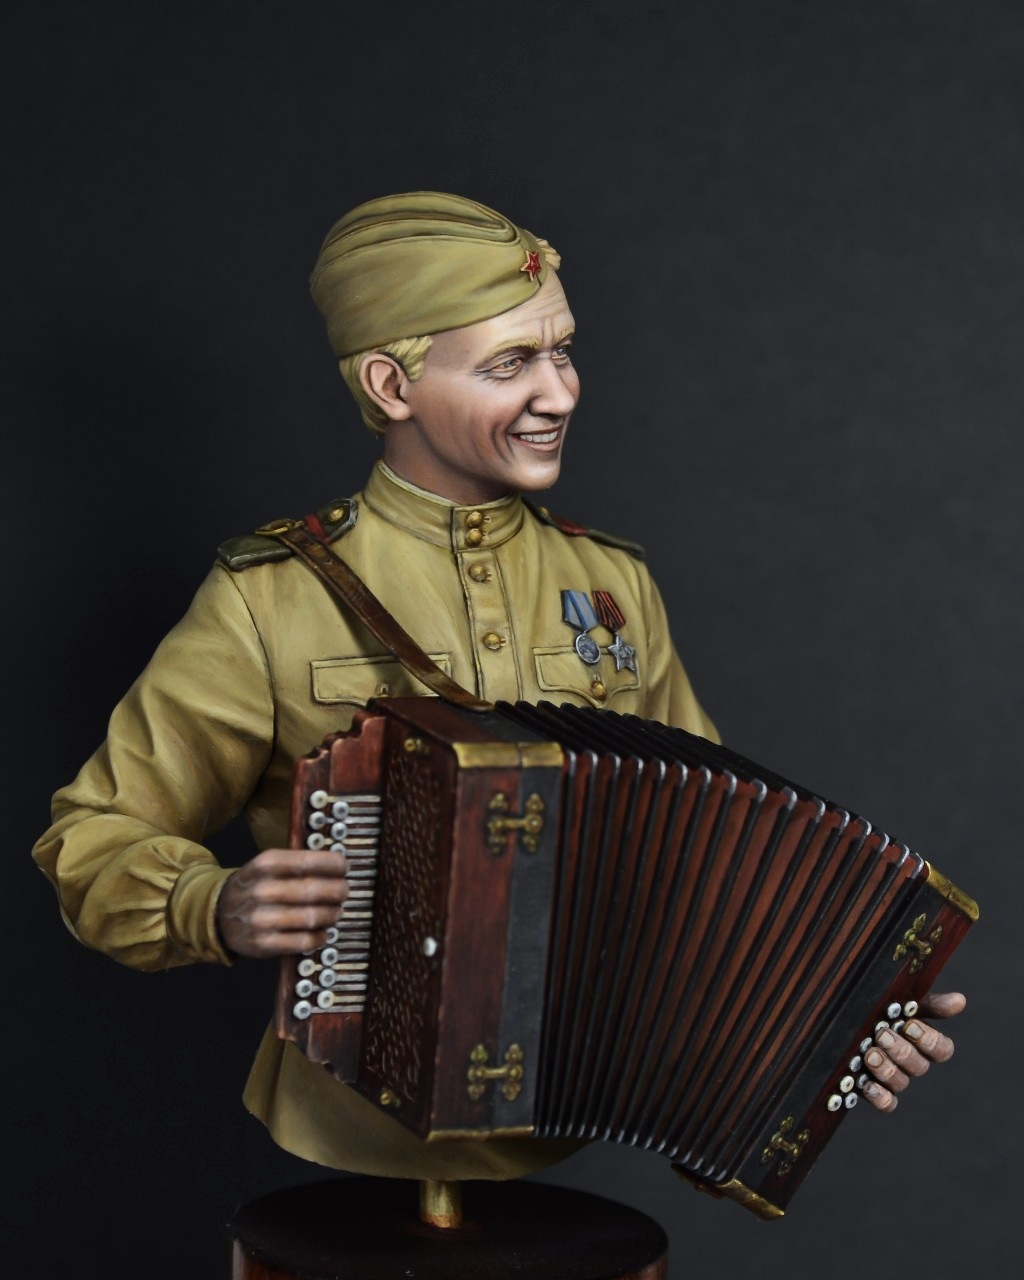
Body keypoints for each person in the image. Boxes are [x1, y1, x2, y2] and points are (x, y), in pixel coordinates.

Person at [32, 191, 964, 1184]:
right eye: (509, 364)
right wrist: (209, 903)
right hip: (352, 1114)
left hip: (568, 1100)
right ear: (391, 384)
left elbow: (718, 860)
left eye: (563, 352)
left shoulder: (610, 584)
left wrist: (842, 1010)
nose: (559, 394)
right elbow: (92, 836)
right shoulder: (272, 597)